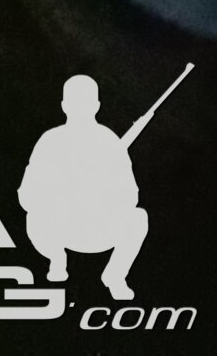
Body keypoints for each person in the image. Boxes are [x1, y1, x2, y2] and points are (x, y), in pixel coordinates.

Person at [22, 73, 151, 300]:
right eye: (74, 101)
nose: (80, 107)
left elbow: (131, 195)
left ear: (96, 106)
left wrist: (103, 193)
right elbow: (27, 194)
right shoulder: (50, 141)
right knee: (33, 217)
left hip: (99, 228)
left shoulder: (110, 141)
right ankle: (56, 259)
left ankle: (115, 275)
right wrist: (60, 195)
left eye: (85, 101)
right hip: (59, 228)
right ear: (64, 105)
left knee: (138, 218)